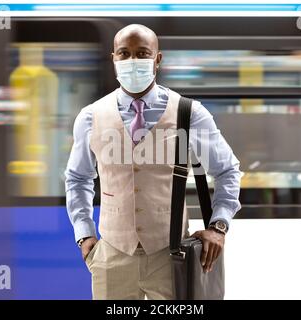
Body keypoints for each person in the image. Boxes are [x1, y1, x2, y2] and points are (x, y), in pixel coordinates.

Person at [65, 24, 242, 300]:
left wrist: (218, 226)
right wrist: (84, 234)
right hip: (112, 257)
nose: (132, 61)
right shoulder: (90, 117)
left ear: (157, 59)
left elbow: (227, 170)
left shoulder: (189, 113)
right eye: (124, 54)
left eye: (142, 53)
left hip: (171, 257)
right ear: (113, 58)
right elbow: (77, 178)